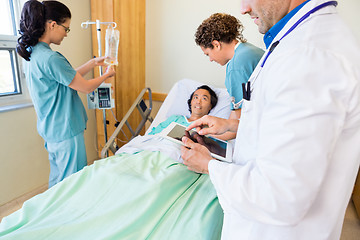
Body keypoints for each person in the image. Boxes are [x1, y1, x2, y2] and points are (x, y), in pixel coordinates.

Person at [181, 0, 360, 239]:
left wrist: (209, 166)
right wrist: (231, 125)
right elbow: (276, 121)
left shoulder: (309, 56)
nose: (243, 9)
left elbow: (280, 195)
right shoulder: (289, 42)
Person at [17, 0, 116, 188]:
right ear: (52, 24)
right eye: (66, 28)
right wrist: (106, 75)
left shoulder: (32, 54)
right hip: (66, 129)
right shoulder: (51, 58)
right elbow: (85, 87)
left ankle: (51, 212)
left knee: (57, 179)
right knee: (72, 183)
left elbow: (67, 77)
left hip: (51, 129)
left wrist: (93, 63)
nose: (66, 34)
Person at [195, 13, 264, 140]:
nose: (210, 59)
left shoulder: (236, 66)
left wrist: (206, 138)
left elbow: (238, 123)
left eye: (208, 54)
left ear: (216, 45)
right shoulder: (248, 50)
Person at [148, 85, 218, 135]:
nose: (198, 102)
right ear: (191, 102)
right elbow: (152, 135)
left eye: (204, 98)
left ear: (210, 106)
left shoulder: (208, 129)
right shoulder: (175, 118)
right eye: (196, 97)